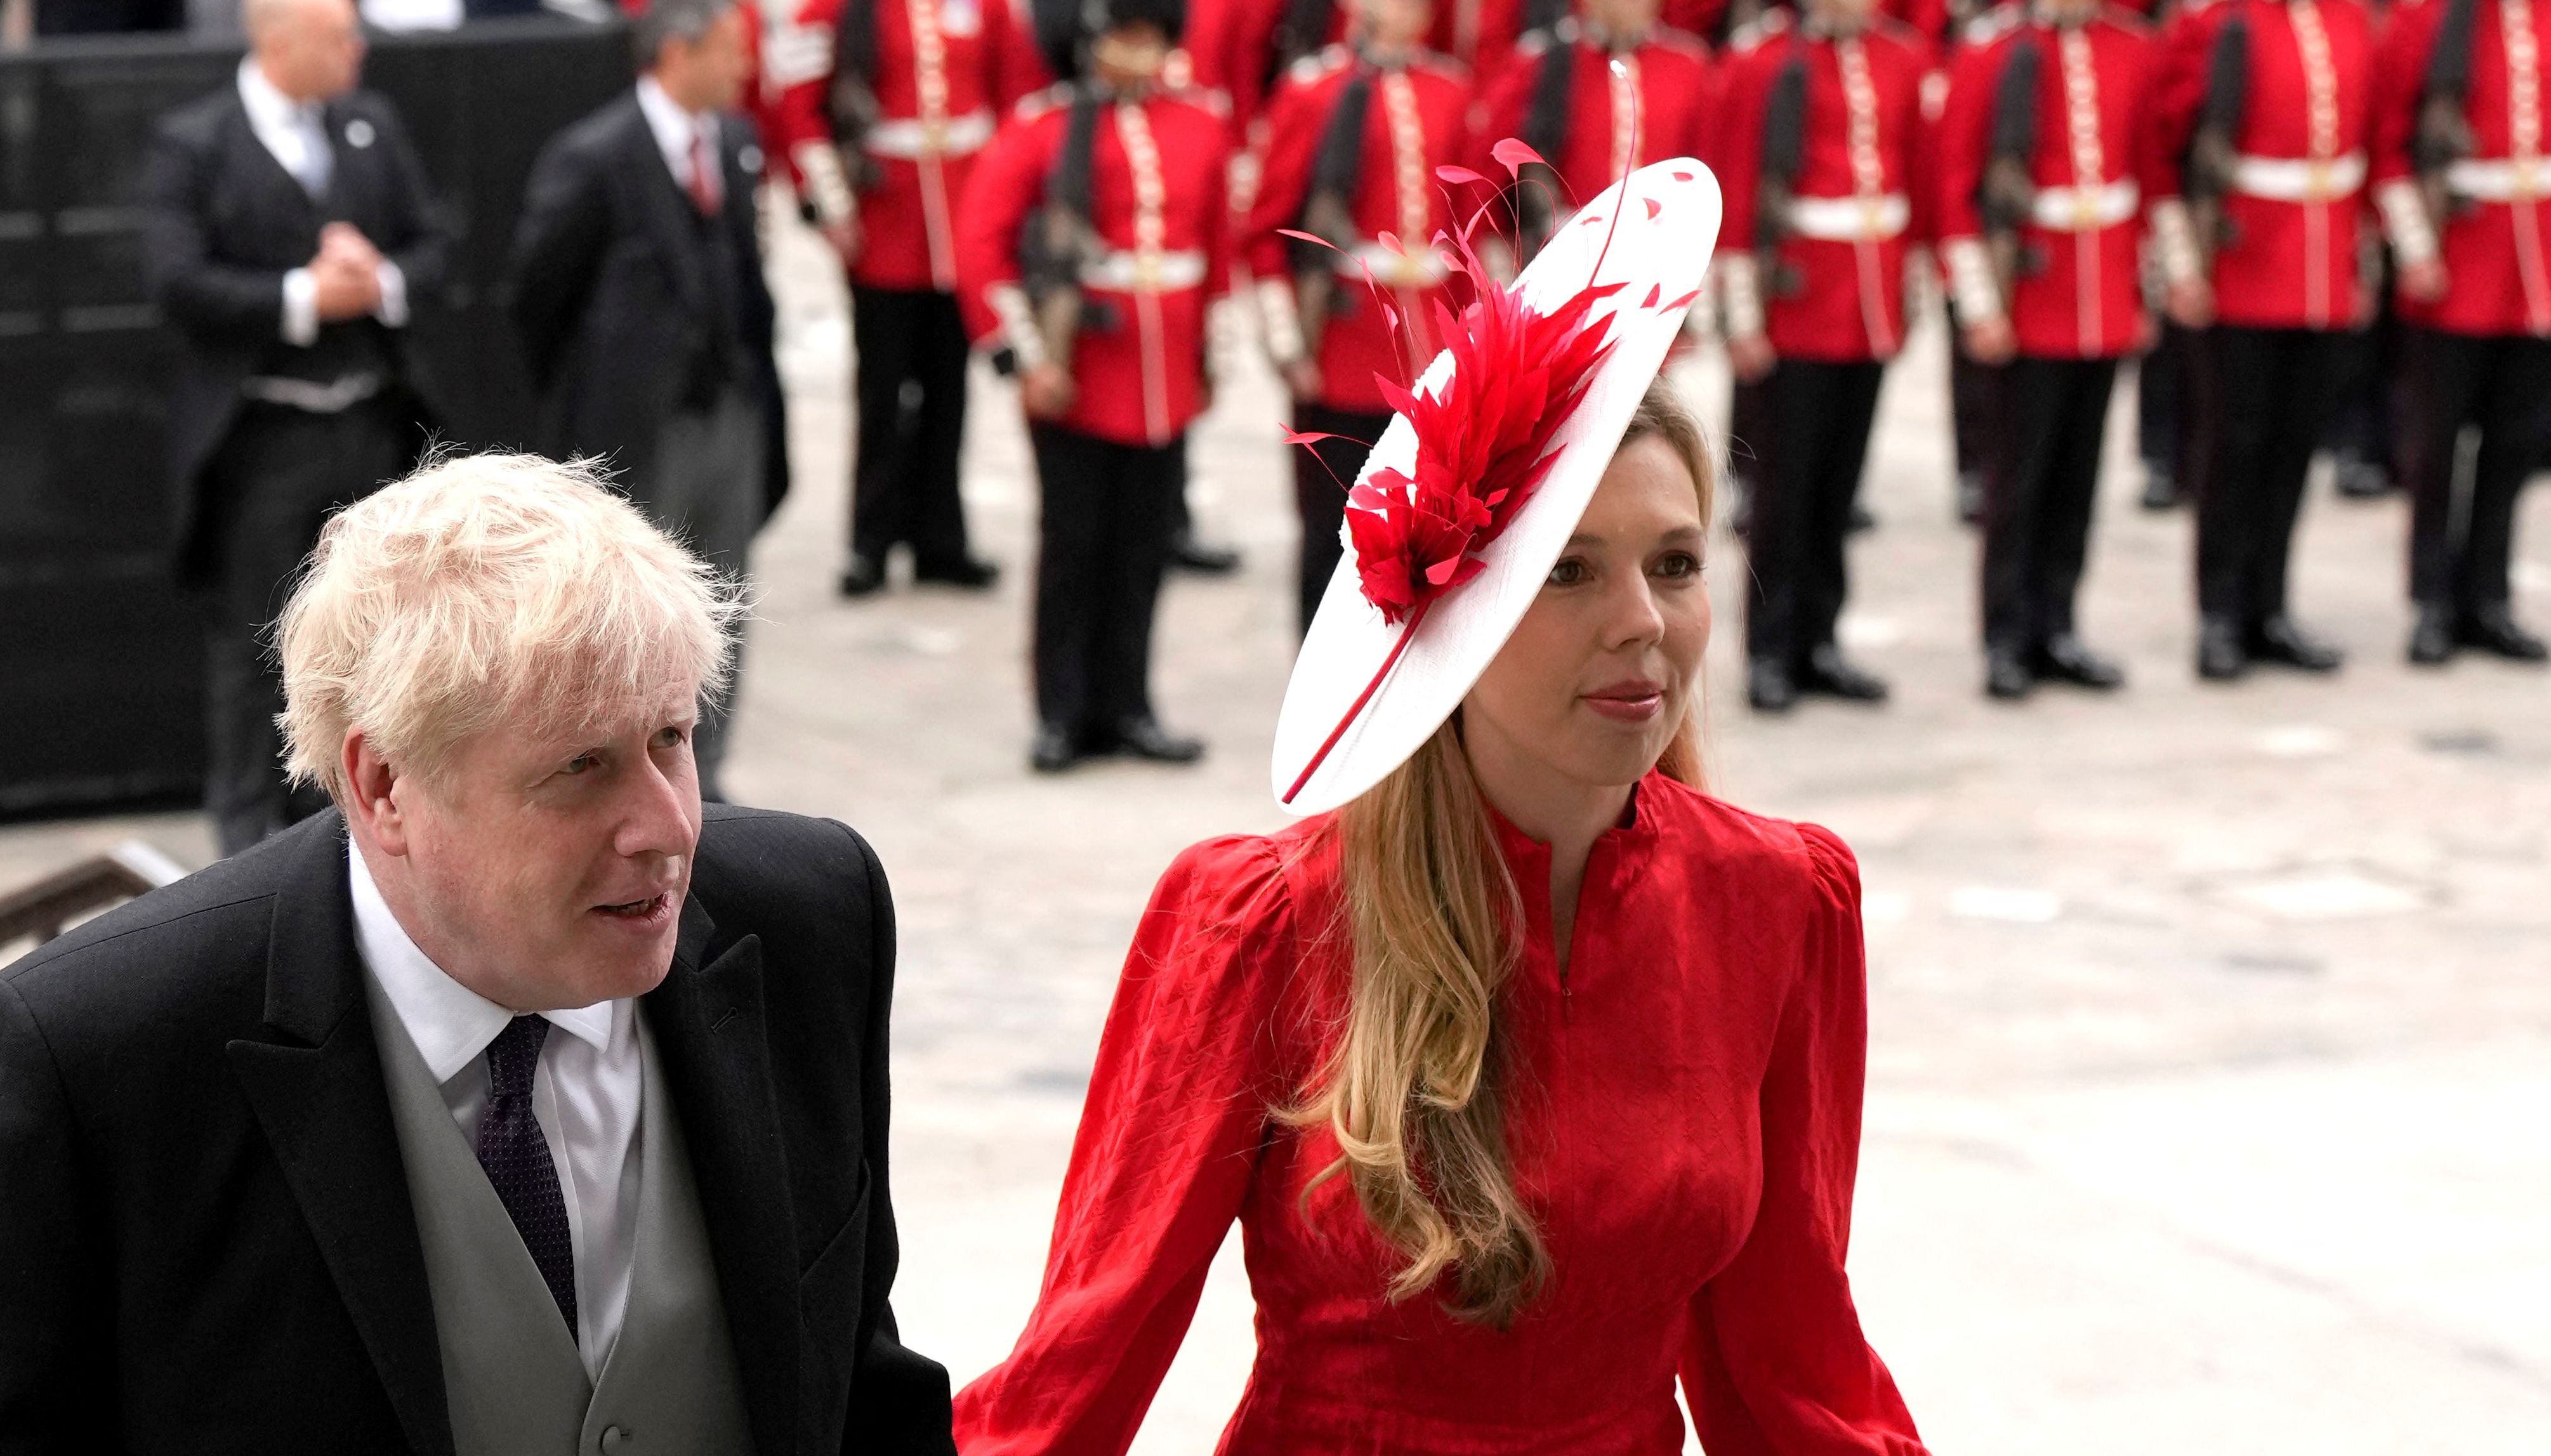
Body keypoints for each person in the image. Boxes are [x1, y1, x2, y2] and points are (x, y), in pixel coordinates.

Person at [956, 161, 1929, 1455]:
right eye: (1568, 573)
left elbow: (1792, 1364)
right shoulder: (1261, 919)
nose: (1643, 624)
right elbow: (1078, 1372)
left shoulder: (1779, 897)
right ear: (1451, 614)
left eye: (1677, 564)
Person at [0, 454, 954, 1453]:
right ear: (382, 786)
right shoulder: (98, 1060)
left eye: (671, 736)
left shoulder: (812, 918)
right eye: (580, 766)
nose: (667, 826)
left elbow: (862, 1389)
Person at [142, 0, 449, 859]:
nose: (357, 51)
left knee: (381, 633)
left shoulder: (370, 125)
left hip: (371, 427)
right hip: (263, 437)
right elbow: (175, 282)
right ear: (279, 43)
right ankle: (245, 847)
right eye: (337, 37)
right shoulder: (195, 141)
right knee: (255, 644)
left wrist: (376, 276)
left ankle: (364, 830)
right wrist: (302, 296)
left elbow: (432, 245)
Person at [507, 0, 788, 802]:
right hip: (640, 424)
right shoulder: (594, 155)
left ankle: (710, 767)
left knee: (725, 587)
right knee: (636, 602)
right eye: (729, 52)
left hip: (726, 411)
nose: (743, 69)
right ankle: (632, 761)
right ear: (677, 52)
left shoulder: (733, 143)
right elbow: (540, 297)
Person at [955, 0, 1230, 772]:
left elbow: (1216, 251)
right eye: (1125, 33)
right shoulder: (1042, 129)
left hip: (1165, 375)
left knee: (1143, 550)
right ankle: (1061, 712)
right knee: (1073, 547)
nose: (1139, 50)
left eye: (1149, 34)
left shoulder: (1199, 124)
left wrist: (1213, 355)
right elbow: (984, 248)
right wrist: (1026, 357)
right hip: (1077, 371)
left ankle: (1129, 705)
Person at [749, 0, 1040, 598]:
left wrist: (1007, 212)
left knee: (950, 389)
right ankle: (870, 541)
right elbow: (798, 109)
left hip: (962, 219)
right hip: (885, 224)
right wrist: (831, 205)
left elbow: (1018, 100)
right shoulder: (828, 9)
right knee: (881, 392)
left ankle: (942, 538)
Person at [1933, 0, 2166, 699]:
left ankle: (2057, 627)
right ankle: (2005, 637)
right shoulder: (1991, 51)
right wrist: (1979, 302)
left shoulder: (2130, 47)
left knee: (2078, 479)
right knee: (2018, 481)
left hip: (2102, 295)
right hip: (2030, 299)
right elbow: (1957, 186)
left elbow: (2147, 174)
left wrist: (2143, 288)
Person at [1713, 0, 1935, 712]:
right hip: (1798, 302)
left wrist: (1911, 288)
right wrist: (1743, 313)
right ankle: (1771, 650)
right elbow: (1740, 184)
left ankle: (1819, 639)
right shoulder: (1760, 61)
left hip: (1867, 300)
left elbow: (1916, 180)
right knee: (1784, 492)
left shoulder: (1898, 57)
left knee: (1839, 487)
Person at [2152, 0, 2375, 681]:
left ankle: (2270, 608)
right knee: (2234, 446)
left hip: (2321, 263)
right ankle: (2220, 612)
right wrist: (2183, 262)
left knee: (2293, 446)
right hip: (2243, 261)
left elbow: (2362, 148)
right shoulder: (2213, 21)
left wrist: (2358, 262)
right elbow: (2166, 149)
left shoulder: (2348, 19)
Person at [1244, 0, 1473, 636]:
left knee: (1429, 530)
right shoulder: (1313, 90)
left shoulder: (1449, 90)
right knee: (1333, 534)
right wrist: (1290, 342)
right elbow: (1267, 233)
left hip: (1431, 345)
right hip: (1345, 346)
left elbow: (1469, 223)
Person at [2372, 0, 2551, 665]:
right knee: (2436, 446)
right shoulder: (2427, 21)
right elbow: (2390, 144)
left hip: (2536, 267)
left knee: (2512, 445)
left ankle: (2489, 598)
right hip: (2458, 258)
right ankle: (2431, 601)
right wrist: (2416, 248)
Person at [1473, 0, 1721, 259]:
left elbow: (1708, 161)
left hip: (1665, 249)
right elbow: (1521, 158)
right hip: (1573, 248)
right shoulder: (1547, 60)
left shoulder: (1689, 65)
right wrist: (1558, 224)